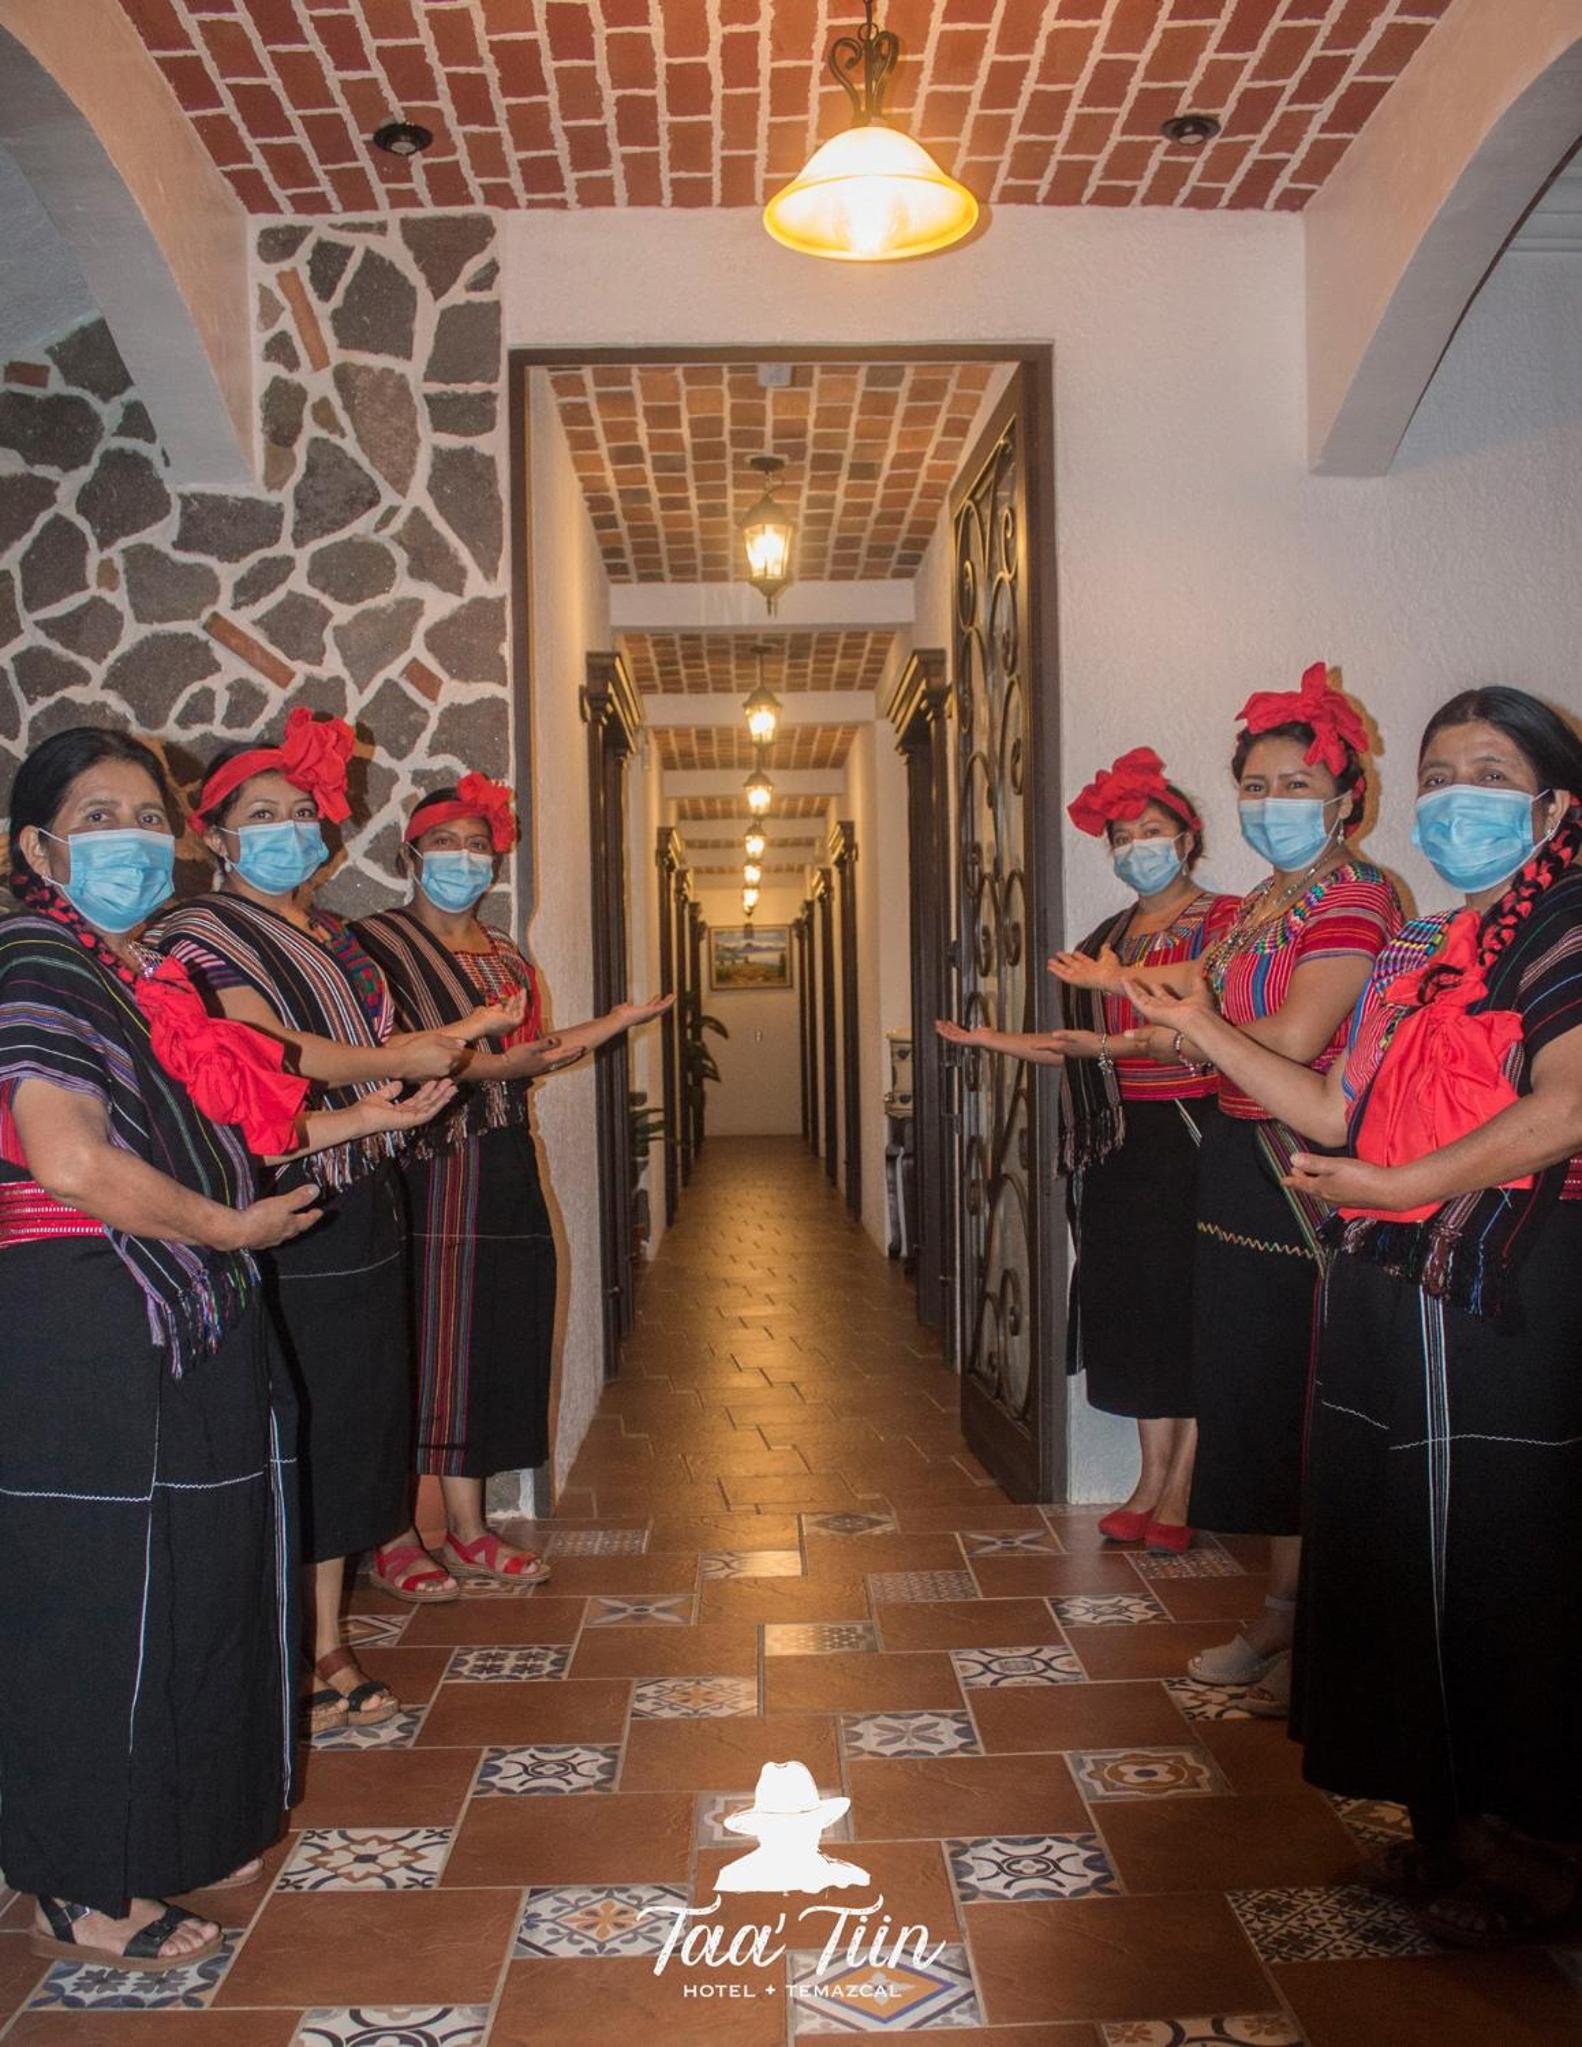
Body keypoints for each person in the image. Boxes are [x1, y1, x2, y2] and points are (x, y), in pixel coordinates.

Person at [1121, 686, 1582, 1947]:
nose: (1454, 799)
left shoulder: (1567, 928)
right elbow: (1332, 1107)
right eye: (1438, 775)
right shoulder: (1417, 944)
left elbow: (1566, 1104)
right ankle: (1450, 1819)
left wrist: (1400, 1183)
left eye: (1489, 774)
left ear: (1554, 808)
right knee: (1401, 1549)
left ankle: (1543, 1845)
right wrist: (1199, 1025)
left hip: (1508, 1286)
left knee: (1504, 1554)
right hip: (1394, 1283)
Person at [1, 727, 319, 1973]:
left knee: (189, 1580)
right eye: (97, 818)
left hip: (173, 1311)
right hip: (90, 1324)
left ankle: (169, 1822)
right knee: (95, 1602)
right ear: (36, 848)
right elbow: (69, 1158)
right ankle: (80, 1881)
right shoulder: (36, 964)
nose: (133, 839)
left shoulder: (136, 972)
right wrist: (229, 1228)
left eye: (147, 816)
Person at [1052, 665, 1400, 1711]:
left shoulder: (1355, 896)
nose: (1271, 803)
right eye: (1255, 785)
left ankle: (1322, 1640)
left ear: (1347, 798)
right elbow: (1196, 1030)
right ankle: (1283, 1617)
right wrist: (1133, 1015)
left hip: (1304, 1168)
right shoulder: (1259, 907)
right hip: (1237, 1158)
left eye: (1296, 785)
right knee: (1258, 1396)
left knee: (1305, 1401)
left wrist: (1178, 1024)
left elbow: (1289, 1038)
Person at [150, 711, 505, 1733]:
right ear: (215, 836)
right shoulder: (200, 935)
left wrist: (425, 1067)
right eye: (262, 815)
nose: (289, 830)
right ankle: (289, 1651)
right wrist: (400, 1062)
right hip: (283, 1201)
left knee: (347, 1425)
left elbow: (377, 1047)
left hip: (359, 1192)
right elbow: (269, 1051)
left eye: (300, 812)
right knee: (292, 1428)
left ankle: (326, 1634)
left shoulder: (335, 934)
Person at [354, 775, 673, 1592]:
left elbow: (534, 1053)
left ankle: (469, 1530)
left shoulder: (503, 954)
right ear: (409, 854)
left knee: (489, 1339)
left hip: (502, 1157)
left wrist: (613, 1024)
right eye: (445, 843)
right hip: (422, 1164)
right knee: (417, 1342)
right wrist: (496, 1065)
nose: (463, 859)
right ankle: (394, 1535)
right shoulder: (372, 945)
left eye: (477, 846)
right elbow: (387, 1056)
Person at [939, 749, 1235, 1549]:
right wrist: (990, 1040)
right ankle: (1149, 1478)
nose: (1138, 847)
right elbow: (1072, 1046)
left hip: (1195, 1138)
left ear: (1188, 837)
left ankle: (1185, 1486)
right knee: (1133, 1311)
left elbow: (1203, 1029)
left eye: (1153, 831)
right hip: (1119, 1146)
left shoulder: (1226, 923)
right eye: (1123, 836)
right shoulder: (1106, 939)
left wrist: (1111, 1035)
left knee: (1189, 1307)